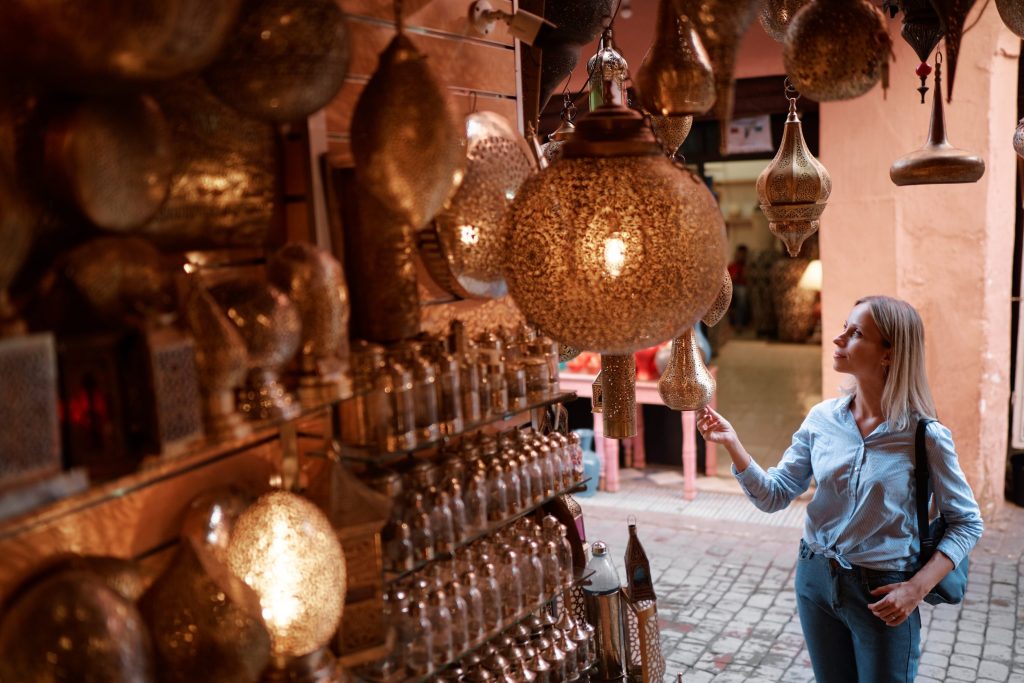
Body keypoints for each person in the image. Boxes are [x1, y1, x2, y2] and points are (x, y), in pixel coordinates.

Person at [697, 295, 983, 683]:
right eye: (845, 328)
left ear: (888, 354)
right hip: (814, 578)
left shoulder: (925, 436)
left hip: (883, 592)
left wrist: (916, 589)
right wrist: (733, 444)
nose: (838, 338)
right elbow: (775, 495)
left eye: (856, 333)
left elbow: (966, 523)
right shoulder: (821, 419)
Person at [727, 244, 750, 330]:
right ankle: (737, 323)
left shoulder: (748, 267)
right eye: (740, 253)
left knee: (743, 294)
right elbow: (727, 280)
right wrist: (734, 278)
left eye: (743, 254)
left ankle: (741, 323)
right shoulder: (731, 266)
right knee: (741, 294)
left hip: (745, 287)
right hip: (734, 287)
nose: (741, 256)